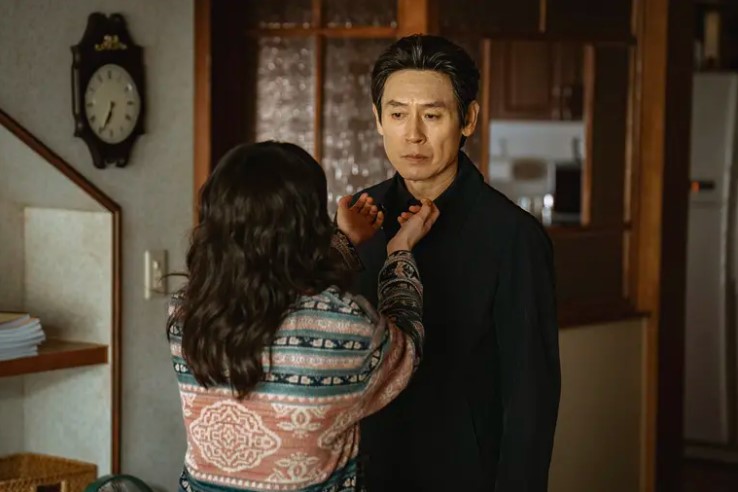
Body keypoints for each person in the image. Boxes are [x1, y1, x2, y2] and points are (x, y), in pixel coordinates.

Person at [167, 141, 439, 492]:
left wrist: (345, 241)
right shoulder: (345, 324)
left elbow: (271, 289)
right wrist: (400, 251)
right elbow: (405, 351)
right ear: (309, 226)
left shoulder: (187, 312)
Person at [354, 35, 561, 491]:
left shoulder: (512, 235)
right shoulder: (358, 221)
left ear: (468, 119)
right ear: (378, 119)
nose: (413, 134)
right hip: (366, 472)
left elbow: (530, 397)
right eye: (397, 114)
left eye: (432, 115)